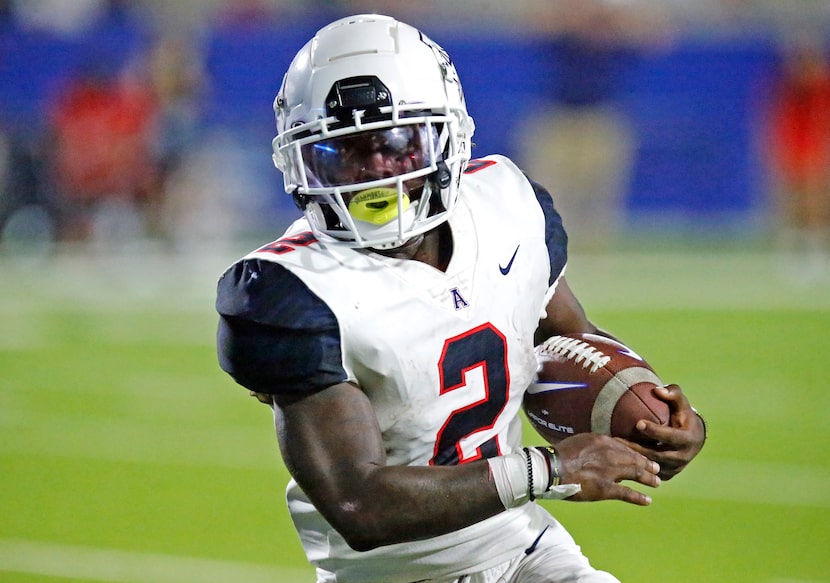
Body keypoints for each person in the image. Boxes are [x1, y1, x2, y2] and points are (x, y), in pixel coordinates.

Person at [215, 14, 705, 583]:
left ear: (447, 139)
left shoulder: (506, 205)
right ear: (303, 161)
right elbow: (358, 503)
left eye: (396, 143)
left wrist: (647, 416)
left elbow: (562, 338)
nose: (375, 171)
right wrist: (544, 470)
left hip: (526, 547)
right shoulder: (292, 290)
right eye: (344, 151)